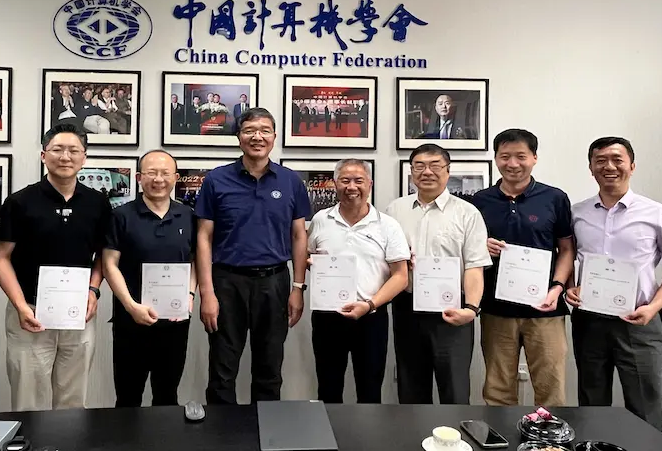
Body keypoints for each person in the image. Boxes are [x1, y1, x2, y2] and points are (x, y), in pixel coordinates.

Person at [0, 123, 112, 411]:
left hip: (78, 314)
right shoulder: (20, 201)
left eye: (74, 151)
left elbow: (103, 256)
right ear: (44, 156)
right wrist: (20, 305)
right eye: (57, 150)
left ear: (84, 157)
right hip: (30, 314)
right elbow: (1, 257)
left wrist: (93, 291)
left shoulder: (98, 203)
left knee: (72, 399)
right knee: (28, 399)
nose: (65, 157)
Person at [195, 107, 310, 404]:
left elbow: (299, 236)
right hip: (227, 281)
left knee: (269, 368)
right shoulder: (216, 180)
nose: (257, 137)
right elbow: (204, 237)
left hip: (274, 282)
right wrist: (206, 293)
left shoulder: (290, 181)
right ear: (238, 137)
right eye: (249, 131)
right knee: (222, 368)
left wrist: (298, 288)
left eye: (264, 131)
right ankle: (224, 437)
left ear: (274, 137)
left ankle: (267, 437)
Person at [567, 137, 662, 430]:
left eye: (617, 159)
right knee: (591, 402)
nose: (609, 166)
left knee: (645, 402)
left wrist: (653, 307)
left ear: (632, 166)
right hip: (589, 320)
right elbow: (567, 256)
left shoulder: (657, 214)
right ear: (591, 168)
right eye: (600, 160)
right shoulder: (577, 213)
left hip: (639, 321)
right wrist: (570, 286)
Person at [471, 129, 574, 408]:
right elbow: (468, 252)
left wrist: (558, 288)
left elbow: (566, 249)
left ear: (534, 158)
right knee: (497, 390)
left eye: (521, 156)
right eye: (505, 157)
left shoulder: (554, 198)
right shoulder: (479, 201)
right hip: (496, 310)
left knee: (550, 388)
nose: (513, 163)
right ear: (495, 159)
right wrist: (482, 246)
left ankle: (549, 447)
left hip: (545, 308)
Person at [384, 143, 491, 405]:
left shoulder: (467, 213)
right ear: (411, 171)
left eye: (435, 165)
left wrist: (472, 308)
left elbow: (475, 266)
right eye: (419, 166)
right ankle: (412, 442)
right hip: (407, 308)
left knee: (454, 388)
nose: (427, 172)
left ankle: (452, 444)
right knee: (410, 387)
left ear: (447, 170)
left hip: (452, 311)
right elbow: (382, 261)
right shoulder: (394, 211)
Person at [308, 159, 409, 403]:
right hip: (327, 318)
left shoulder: (388, 225)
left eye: (358, 180)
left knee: (370, 388)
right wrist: (312, 264)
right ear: (334, 184)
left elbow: (401, 276)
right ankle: (330, 439)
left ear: (370, 184)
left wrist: (370, 304)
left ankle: (367, 441)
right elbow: (306, 256)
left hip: (371, 317)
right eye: (345, 180)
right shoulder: (321, 220)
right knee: (328, 388)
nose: (351, 186)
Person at [103, 150, 197, 407]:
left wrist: (189, 296)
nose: (158, 179)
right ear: (138, 177)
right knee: (128, 396)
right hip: (131, 320)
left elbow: (194, 261)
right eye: (151, 173)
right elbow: (109, 264)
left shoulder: (188, 216)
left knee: (167, 395)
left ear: (176, 178)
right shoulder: (121, 215)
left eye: (165, 173)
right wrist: (131, 306)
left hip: (175, 321)